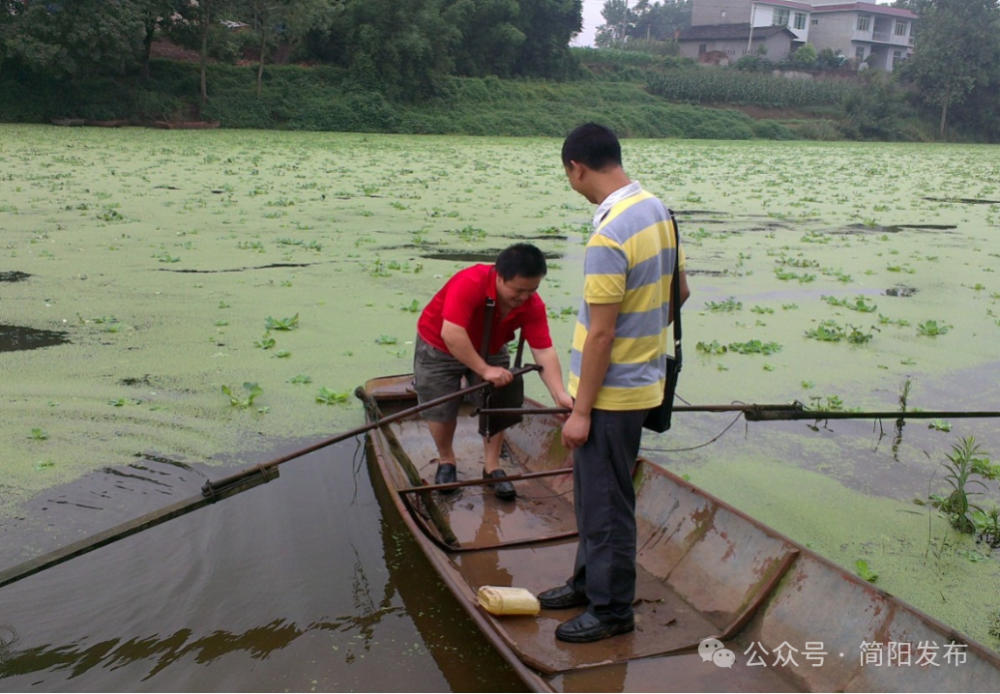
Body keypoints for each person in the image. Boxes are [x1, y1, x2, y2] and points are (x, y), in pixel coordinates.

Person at [538, 123, 690, 643]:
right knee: (596, 495)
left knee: (605, 503)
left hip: (608, 395)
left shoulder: (609, 234)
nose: (571, 183)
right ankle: (586, 583)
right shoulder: (658, 212)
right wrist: (644, 339)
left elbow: (600, 335)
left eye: (568, 175)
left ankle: (611, 610)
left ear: (577, 167)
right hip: (641, 385)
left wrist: (580, 411)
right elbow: (680, 293)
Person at [414, 243, 574, 500]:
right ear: (500, 276)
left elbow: (543, 350)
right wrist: (483, 369)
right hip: (440, 344)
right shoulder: (469, 283)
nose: (524, 297)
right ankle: (447, 461)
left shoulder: (532, 304)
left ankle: (492, 468)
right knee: (440, 404)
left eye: (532, 290)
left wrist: (559, 394)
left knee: (499, 402)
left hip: (491, 343)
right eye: (518, 290)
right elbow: (452, 333)